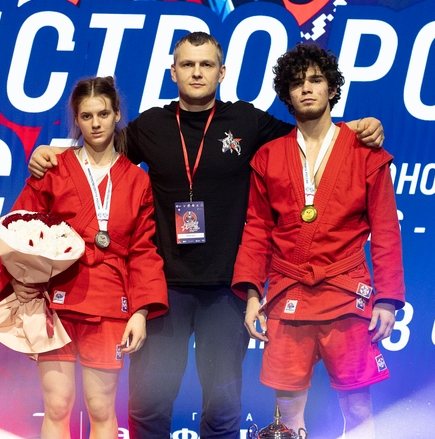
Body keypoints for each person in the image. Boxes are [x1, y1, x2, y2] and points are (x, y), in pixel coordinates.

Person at [29, 32, 385, 439]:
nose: (196, 72)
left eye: (206, 65)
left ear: (222, 72)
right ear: (173, 72)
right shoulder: (151, 125)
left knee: (222, 407)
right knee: (149, 404)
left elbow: (309, 135)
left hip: (225, 289)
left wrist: (355, 128)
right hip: (163, 288)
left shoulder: (246, 121)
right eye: (187, 64)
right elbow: (96, 148)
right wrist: (52, 154)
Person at [231, 43, 405, 438]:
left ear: (332, 88)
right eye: (297, 83)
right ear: (287, 94)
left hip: (346, 292)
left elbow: (385, 231)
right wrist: (253, 295)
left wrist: (388, 299)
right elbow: (257, 230)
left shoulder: (365, 152)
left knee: (358, 408)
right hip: (288, 292)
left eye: (315, 80)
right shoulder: (268, 156)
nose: (307, 88)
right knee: (287, 415)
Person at [0, 76, 169, 439]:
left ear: (117, 115)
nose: (96, 124)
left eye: (103, 114)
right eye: (86, 116)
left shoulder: (137, 181)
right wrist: (19, 280)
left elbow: (143, 250)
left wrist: (140, 312)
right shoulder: (53, 168)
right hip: (56, 301)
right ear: (76, 120)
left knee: (101, 408)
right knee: (57, 405)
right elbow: (19, 228)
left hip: (109, 303)